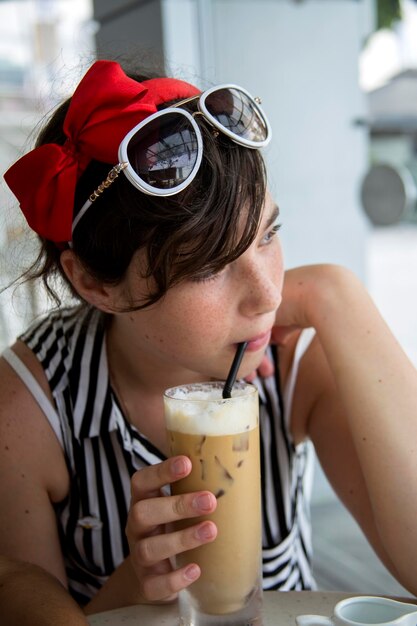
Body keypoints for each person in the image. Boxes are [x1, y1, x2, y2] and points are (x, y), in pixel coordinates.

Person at [1, 59, 417, 620]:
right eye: (210, 267)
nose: (268, 294)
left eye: (268, 234)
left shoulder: (289, 354)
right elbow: (23, 591)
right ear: (95, 283)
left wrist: (334, 293)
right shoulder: (30, 402)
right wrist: (138, 581)